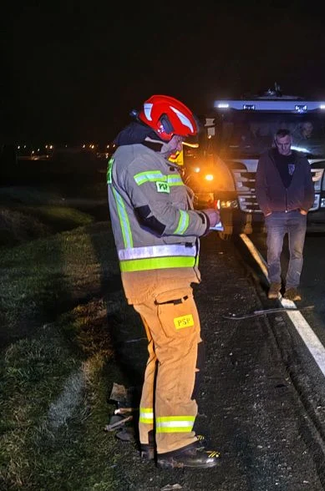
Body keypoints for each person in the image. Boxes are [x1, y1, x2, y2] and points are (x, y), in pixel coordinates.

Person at [107, 95, 221, 468]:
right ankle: (175, 444)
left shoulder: (144, 158)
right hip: (160, 281)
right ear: (162, 128)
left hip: (160, 280)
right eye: (177, 138)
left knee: (165, 355)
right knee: (180, 353)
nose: (179, 146)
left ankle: (152, 438)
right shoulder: (138, 159)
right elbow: (161, 219)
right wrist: (207, 220)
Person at [255, 129, 313, 301]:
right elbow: (259, 187)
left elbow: (309, 187)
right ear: (275, 142)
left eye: (286, 144)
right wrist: (266, 209)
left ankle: (292, 288)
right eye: (280, 144)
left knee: (297, 252)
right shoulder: (266, 160)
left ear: (291, 141)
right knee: (274, 251)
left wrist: (305, 208)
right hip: (275, 215)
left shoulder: (301, 161)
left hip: (297, 214)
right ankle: (275, 283)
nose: (283, 148)